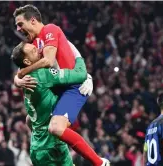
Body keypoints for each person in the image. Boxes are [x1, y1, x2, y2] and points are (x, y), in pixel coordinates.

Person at [13, 5, 109, 166]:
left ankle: (100, 163)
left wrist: (85, 72)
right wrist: (17, 78)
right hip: (59, 87)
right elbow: (22, 64)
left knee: (55, 128)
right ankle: (52, 146)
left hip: (73, 85)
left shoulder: (50, 29)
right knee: (31, 120)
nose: (18, 28)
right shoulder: (34, 43)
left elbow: (49, 61)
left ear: (33, 21)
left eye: (20, 24)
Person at [11, 41, 87, 165]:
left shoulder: (25, 76)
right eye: (33, 51)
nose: (38, 50)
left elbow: (28, 120)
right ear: (27, 62)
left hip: (38, 147)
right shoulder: (42, 75)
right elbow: (80, 75)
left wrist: (17, 80)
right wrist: (78, 56)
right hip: (51, 148)